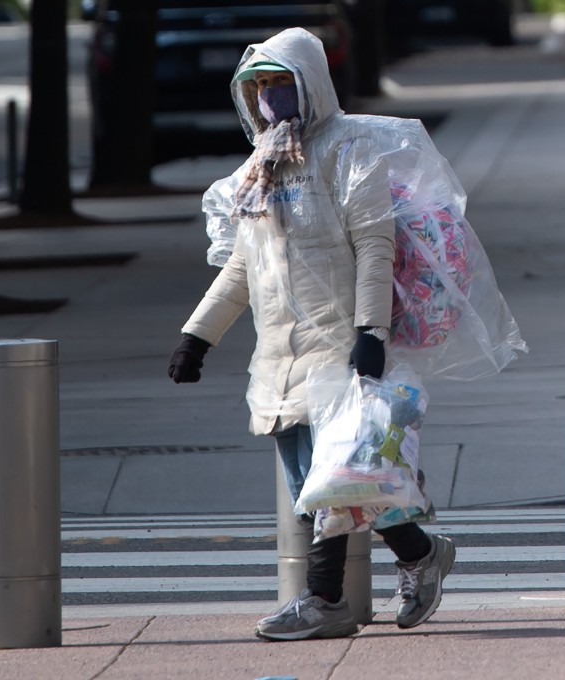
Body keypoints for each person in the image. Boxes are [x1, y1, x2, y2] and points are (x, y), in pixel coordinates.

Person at [167, 27, 455, 641]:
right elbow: (244, 267)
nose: (270, 96)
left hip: (338, 347)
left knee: (333, 486)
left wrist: (370, 330)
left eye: (280, 83)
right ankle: (421, 555)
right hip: (279, 357)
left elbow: (375, 248)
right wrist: (198, 337)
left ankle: (324, 601)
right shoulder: (259, 171)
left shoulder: (351, 151)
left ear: (309, 83)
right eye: (260, 86)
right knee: (318, 488)